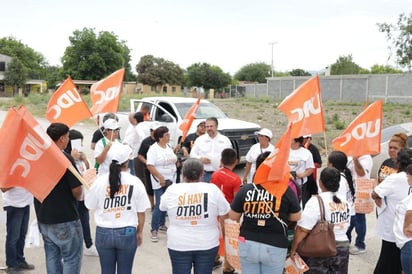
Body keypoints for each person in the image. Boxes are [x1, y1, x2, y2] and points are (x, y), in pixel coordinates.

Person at [229, 152, 301, 274]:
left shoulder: (246, 190)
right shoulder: (285, 190)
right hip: (275, 244)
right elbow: (296, 216)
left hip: (247, 242)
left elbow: (233, 216)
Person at [85, 144, 150, 274]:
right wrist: (139, 232)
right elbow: (141, 212)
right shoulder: (135, 182)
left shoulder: (99, 181)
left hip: (103, 232)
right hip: (127, 231)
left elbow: (89, 205)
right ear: (127, 162)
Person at [159, 158, 230, 274]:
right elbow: (225, 213)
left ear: (182, 174)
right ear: (202, 174)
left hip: (179, 243)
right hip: (207, 243)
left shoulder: (172, 190)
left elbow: (162, 207)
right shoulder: (212, 189)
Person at [34, 122, 83, 274]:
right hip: (65, 217)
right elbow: (77, 191)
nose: (68, 140)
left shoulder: (36, 157)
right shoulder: (64, 159)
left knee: (52, 256)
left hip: (44, 216)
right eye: (68, 137)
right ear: (62, 138)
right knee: (71, 258)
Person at [290, 167, 351, 273]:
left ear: (320, 182)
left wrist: (293, 249)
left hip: (320, 249)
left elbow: (303, 229)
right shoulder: (345, 201)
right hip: (342, 248)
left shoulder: (316, 201)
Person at [371, 148, 412, 274]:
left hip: (394, 226)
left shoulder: (395, 178)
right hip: (407, 228)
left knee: (386, 263)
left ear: (398, 163)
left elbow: (375, 193)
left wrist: (377, 196)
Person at [65, 129, 98, 257]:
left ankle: (88, 245)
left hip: (84, 197)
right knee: (72, 224)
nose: (81, 146)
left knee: (85, 221)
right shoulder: (67, 158)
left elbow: (89, 173)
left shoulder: (82, 157)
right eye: (79, 143)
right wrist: (72, 159)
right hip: (72, 197)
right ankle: (70, 248)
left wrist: (85, 161)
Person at [210, 148, 242, 274]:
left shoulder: (215, 174)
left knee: (215, 237)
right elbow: (237, 200)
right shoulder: (236, 179)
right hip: (228, 213)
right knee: (229, 239)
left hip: (215, 212)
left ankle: (215, 259)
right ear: (236, 161)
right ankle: (227, 267)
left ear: (221, 161)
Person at [146, 126, 177, 242]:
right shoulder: (153, 149)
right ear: (160, 137)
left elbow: (172, 159)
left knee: (167, 202)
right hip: (159, 181)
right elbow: (150, 165)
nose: (169, 137)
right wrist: (160, 177)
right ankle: (154, 229)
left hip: (171, 179)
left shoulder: (168, 147)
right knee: (159, 204)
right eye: (166, 135)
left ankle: (162, 223)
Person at [1, 187, 34, 273]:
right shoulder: (7, 172)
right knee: (13, 237)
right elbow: (3, 188)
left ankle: (20, 260)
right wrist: (19, 181)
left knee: (22, 235)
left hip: (26, 202)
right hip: (13, 204)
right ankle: (11, 264)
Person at [190, 117, 232, 183]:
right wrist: (200, 159)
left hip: (220, 174)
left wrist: (225, 163)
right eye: (207, 126)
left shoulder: (225, 140)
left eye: (211, 126)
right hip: (204, 175)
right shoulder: (200, 140)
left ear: (216, 127)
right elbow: (192, 154)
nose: (209, 128)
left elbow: (230, 156)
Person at [346, 154, 373, 255]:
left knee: (359, 219)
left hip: (362, 190)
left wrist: (356, 160)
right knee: (349, 218)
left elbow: (361, 173)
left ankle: (360, 245)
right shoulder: (349, 156)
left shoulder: (366, 158)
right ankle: (346, 242)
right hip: (350, 190)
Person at [137, 122, 160, 210]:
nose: (153, 132)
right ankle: (152, 205)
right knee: (150, 187)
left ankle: (159, 205)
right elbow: (140, 155)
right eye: (152, 130)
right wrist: (147, 162)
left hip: (159, 168)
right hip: (149, 168)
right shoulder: (146, 141)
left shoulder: (161, 140)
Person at [393, 164, 412, 274]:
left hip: (408, 243)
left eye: (408, 175)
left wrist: (406, 228)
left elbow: (410, 212)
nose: (407, 177)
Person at [288, 136, 315, 208]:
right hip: (286, 182)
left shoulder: (306, 153)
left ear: (297, 141)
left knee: (299, 204)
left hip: (300, 183)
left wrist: (302, 175)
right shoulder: (285, 151)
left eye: (291, 138)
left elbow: (311, 168)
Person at [327, 151, 356, 215]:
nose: (327, 164)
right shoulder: (345, 174)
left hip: (345, 215)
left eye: (328, 162)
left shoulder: (337, 179)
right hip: (350, 211)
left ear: (331, 164)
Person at [122, 112, 145, 176]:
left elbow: (142, 138)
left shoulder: (139, 127)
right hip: (127, 151)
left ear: (135, 119)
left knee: (132, 171)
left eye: (130, 119)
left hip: (133, 153)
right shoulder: (131, 126)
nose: (129, 120)